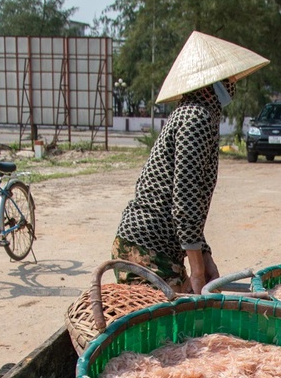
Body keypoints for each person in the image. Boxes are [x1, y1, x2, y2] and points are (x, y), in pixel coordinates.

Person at [113, 31, 269, 293]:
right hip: (148, 248)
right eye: (228, 79)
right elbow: (184, 199)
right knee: (178, 326)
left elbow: (189, 204)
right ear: (212, 83)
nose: (232, 84)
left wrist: (205, 256)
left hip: (157, 245)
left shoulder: (196, 115)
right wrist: (197, 270)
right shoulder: (196, 118)